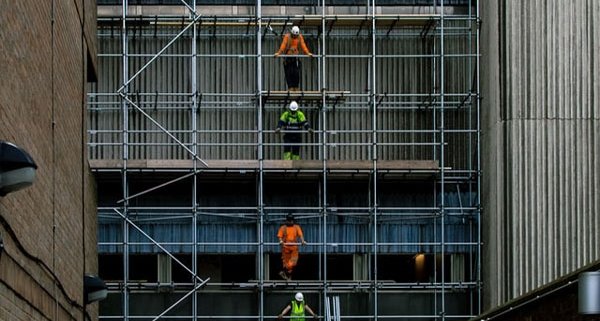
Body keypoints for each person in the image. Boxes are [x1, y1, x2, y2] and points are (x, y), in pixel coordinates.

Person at [274, 25, 313, 91]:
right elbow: (283, 46)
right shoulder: (287, 37)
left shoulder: (299, 37)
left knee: (296, 73)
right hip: (288, 57)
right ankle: (290, 87)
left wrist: (308, 53)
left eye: (296, 36)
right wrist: (278, 53)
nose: (295, 37)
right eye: (294, 35)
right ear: (292, 33)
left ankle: (296, 87)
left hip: (295, 57)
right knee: (288, 73)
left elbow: (303, 45)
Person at [277, 214, 306, 280]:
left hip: (294, 247)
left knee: (293, 262)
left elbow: (300, 235)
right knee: (286, 262)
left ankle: (284, 272)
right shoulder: (283, 228)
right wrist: (281, 241)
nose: (290, 222)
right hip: (285, 247)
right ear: (286, 221)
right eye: (289, 220)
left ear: (293, 221)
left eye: (291, 221)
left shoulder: (296, 227)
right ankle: (288, 276)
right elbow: (280, 236)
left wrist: (303, 241)